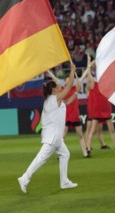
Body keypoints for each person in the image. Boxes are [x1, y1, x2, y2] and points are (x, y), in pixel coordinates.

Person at [17, 62, 77, 194]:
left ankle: (64, 181)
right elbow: (67, 87)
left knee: (65, 154)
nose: (59, 85)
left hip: (56, 137)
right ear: (54, 90)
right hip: (53, 137)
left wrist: (50, 73)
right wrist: (72, 71)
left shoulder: (55, 100)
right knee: (41, 159)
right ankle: (24, 178)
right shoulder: (54, 99)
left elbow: (66, 100)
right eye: (57, 85)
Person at [84, 60, 115, 153]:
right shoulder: (93, 84)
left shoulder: (106, 84)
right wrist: (89, 63)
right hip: (97, 109)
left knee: (111, 129)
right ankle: (88, 148)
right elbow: (89, 76)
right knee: (92, 130)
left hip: (106, 108)